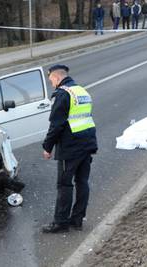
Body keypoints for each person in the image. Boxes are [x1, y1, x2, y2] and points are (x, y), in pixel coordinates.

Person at [41, 65, 98, 233]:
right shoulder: (82, 91)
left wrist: (47, 146)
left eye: (51, 80)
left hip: (71, 147)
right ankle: (77, 219)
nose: (51, 83)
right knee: (82, 182)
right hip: (87, 143)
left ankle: (60, 222)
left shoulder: (63, 94)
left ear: (58, 78)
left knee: (64, 184)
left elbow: (56, 125)